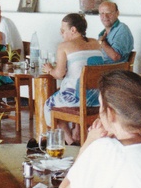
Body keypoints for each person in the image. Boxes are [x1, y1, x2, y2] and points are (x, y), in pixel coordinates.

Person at [43, 13, 105, 144]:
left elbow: (59, 74)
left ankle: (71, 142)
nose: (61, 34)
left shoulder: (64, 46)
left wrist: (49, 69)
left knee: (49, 104)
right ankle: (77, 132)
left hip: (76, 99)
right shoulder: (96, 43)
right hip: (96, 98)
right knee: (65, 90)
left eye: (63, 30)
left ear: (73, 30)